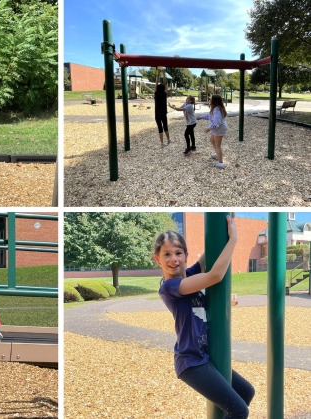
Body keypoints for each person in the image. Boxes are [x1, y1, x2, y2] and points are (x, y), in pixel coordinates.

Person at [155, 215, 255, 419]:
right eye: (167, 254)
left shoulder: (189, 274)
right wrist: (234, 241)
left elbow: (211, 254)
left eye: (178, 253)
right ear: (158, 259)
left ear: (186, 255)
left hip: (205, 355)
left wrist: (227, 228)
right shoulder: (170, 287)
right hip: (191, 362)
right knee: (238, 410)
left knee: (246, 392)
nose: (173, 258)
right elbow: (215, 276)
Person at [197, 94, 228, 168]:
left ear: (215, 101)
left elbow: (216, 123)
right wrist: (201, 117)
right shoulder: (215, 109)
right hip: (217, 128)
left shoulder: (217, 110)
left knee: (218, 146)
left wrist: (209, 128)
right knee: (212, 140)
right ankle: (217, 154)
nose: (210, 100)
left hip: (219, 129)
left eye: (211, 99)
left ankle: (220, 163)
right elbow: (209, 116)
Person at [154, 69, 170, 148]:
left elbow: (156, 85)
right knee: (165, 127)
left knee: (160, 128)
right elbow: (164, 83)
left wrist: (158, 74)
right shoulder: (164, 94)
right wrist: (163, 74)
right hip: (163, 113)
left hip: (157, 113)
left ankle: (162, 143)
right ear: (164, 89)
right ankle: (168, 139)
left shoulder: (156, 94)